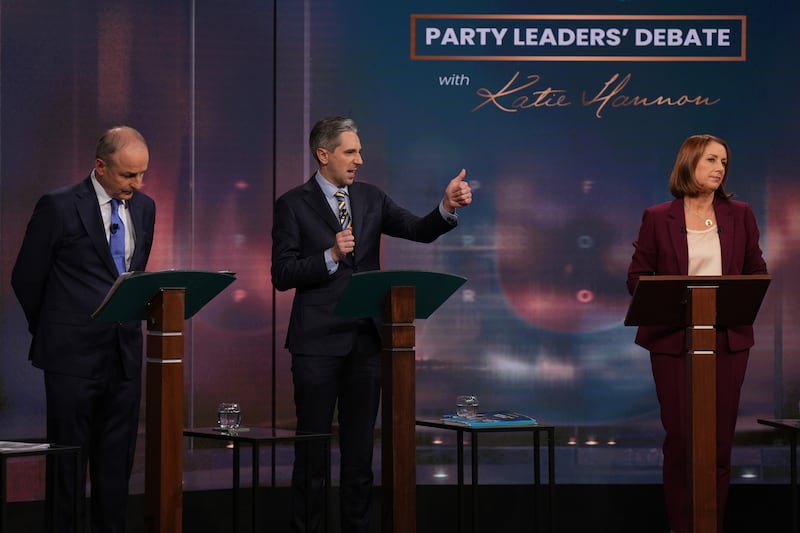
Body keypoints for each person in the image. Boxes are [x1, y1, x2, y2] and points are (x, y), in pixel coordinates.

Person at [271, 116, 472, 533]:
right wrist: (329, 256)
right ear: (323, 154)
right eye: (350, 151)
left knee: (360, 455)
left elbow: (418, 229)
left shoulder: (371, 198)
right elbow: (282, 274)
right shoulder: (292, 203)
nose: (359, 160)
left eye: (360, 151)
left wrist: (445, 207)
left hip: (366, 343)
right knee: (313, 453)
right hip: (316, 345)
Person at [11, 126, 156, 533]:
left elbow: (132, 274)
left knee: (116, 468)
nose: (137, 184)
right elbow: (26, 278)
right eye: (129, 175)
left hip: (123, 355)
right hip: (71, 357)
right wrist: (57, 331)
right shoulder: (58, 206)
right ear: (100, 167)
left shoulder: (145, 208)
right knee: (68, 469)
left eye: (142, 174)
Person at [626, 134, 767, 533]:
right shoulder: (658, 216)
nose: (720, 168)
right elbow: (637, 277)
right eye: (710, 159)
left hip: (727, 342)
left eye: (724, 161)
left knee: (719, 442)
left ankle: (710, 524)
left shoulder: (740, 214)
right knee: (683, 441)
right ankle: (680, 525)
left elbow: (756, 271)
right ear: (689, 164)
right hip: (673, 342)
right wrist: (675, 300)